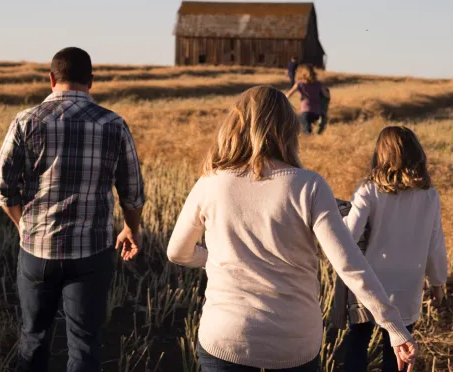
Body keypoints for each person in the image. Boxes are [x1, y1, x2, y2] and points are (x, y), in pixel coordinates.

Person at [166, 86, 417, 372]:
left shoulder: (210, 182)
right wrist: (393, 326)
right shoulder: (309, 186)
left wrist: (216, 258)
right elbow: (348, 264)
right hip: (294, 343)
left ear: (235, 124)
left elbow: (177, 252)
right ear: (288, 129)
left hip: (226, 337)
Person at [0, 47, 145, 372]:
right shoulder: (113, 124)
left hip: (37, 250)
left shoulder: (25, 121)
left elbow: (2, 187)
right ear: (91, 82)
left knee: (33, 338)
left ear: (51, 79)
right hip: (92, 253)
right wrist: (132, 228)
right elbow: (132, 191)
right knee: (86, 344)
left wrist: (23, 225)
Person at [331, 126, 448, 372]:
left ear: (380, 155)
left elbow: (348, 235)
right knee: (400, 350)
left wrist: (336, 215)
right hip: (408, 286)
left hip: (371, 283)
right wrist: (437, 282)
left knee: (358, 340)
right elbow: (435, 242)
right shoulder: (429, 195)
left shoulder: (369, 189)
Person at [286, 64, 324, 134]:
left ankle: (310, 143)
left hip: (306, 110)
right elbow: (326, 94)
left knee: (306, 132)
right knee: (313, 131)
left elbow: (288, 94)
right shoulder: (319, 84)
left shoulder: (299, 83)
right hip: (316, 112)